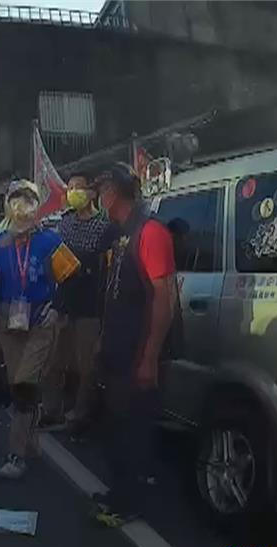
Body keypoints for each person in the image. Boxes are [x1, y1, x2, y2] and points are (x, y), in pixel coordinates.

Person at [91, 163, 178, 527]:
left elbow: (164, 297)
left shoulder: (151, 231)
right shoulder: (120, 232)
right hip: (117, 348)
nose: (97, 197)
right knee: (114, 426)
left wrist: (150, 356)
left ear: (114, 191)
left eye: (101, 189)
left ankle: (131, 502)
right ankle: (117, 492)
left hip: (138, 351)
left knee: (134, 431)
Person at [0, 180, 64, 480]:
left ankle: (15, 456)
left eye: (28, 200)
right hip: (9, 323)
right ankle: (31, 444)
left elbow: (70, 278)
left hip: (40, 322)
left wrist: (56, 307)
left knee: (23, 386)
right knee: (19, 385)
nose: (21, 206)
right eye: (15, 200)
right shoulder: (0, 241)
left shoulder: (50, 241)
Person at [41, 172, 118, 437]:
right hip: (62, 302)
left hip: (90, 304)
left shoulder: (105, 227)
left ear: (92, 193)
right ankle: (51, 410)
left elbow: (106, 266)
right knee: (53, 362)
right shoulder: (64, 225)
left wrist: (82, 265)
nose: (74, 192)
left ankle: (80, 415)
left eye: (79, 188)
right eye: (70, 187)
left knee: (86, 366)